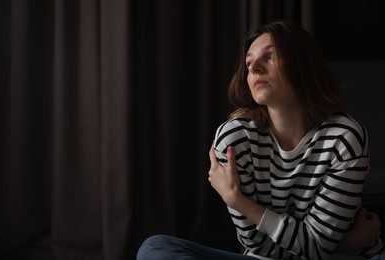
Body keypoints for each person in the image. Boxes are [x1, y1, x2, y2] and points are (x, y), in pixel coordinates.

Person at [136, 20, 384, 260]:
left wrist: (238, 201)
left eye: (270, 56)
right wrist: (343, 242)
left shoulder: (344, 137)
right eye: (249, 62)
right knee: (155, 250)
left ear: (303, 64)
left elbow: (317, 248)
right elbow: (261, 246)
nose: (254, 68)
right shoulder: (234, 140)